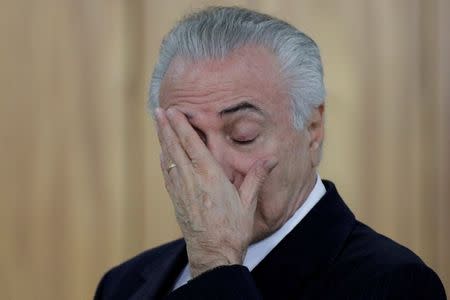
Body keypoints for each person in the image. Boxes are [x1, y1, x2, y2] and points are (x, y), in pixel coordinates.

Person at [94, 6, 446, 299]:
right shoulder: (123, 284)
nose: (214, 169)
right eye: (190, 140)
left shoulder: (394, 284)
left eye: (243, 136)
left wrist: (217, 267)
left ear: (313, 129)